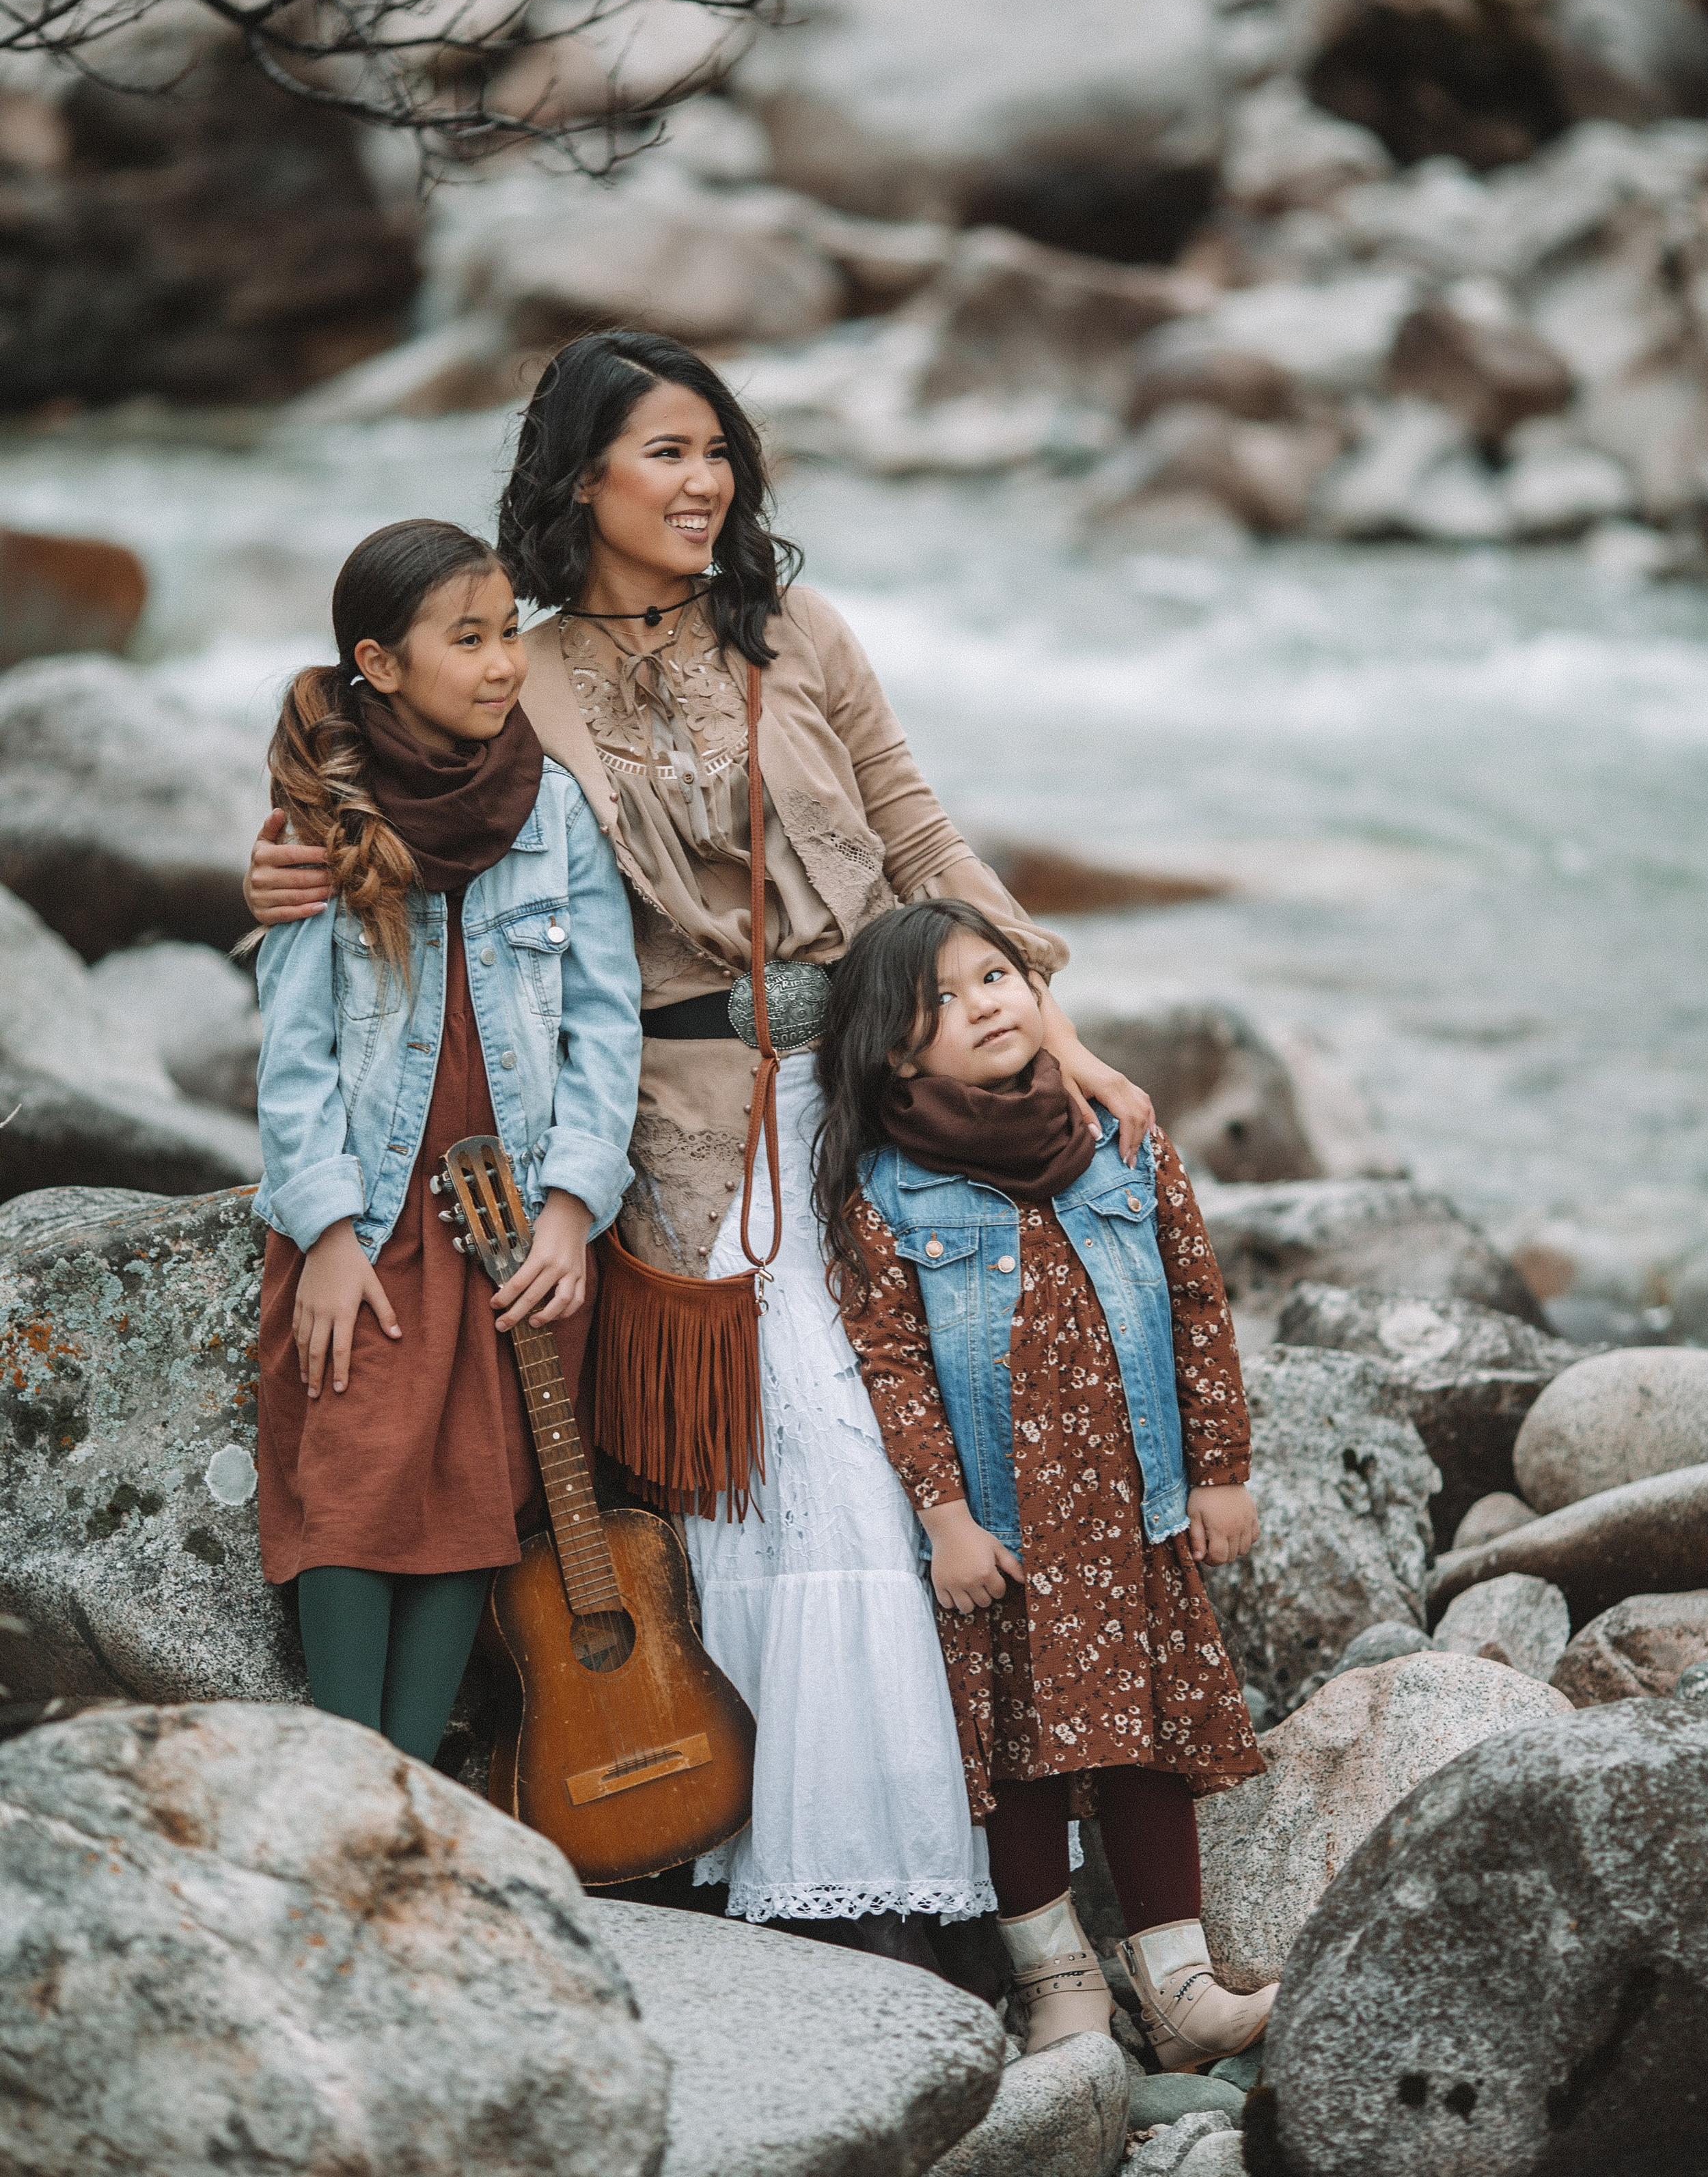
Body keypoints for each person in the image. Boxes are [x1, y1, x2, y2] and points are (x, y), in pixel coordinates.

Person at [245, 332, 1154, 1951]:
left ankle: (967, 1887)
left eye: (718, 450)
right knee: (781, 1465)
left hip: (877, 1105)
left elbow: (915, 834)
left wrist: (1059, 1036)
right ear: (578, 478)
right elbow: (398, 807)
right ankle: (788, 1865)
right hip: (673, 1136)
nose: (705, 482)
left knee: (918, 1459)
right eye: (665, 452)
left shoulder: (797, 630)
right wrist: (279, 876)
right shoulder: (519, 672)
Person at [814, 896, 1276, 2068]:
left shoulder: (1119, 1137)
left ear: (1036, 991)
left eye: (995, 978)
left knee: (1146, 1739)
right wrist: (947, 1519)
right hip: (1007, 1534)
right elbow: (894, 1363)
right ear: (896, 1049)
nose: (982, 1007)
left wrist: (1220, 1470)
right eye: (942, 1002)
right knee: (1014, 1759)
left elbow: (1194, 1302)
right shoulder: (886, 1191)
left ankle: (1177, 1986)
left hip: (1131, 1509)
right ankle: (1055, 1981)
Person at [251, 516, 642, 1760]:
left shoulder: (555, 811)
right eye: (466, 640)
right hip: (373, 1219)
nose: (502, 663)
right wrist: (321, 1230)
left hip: (513, 1219)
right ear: (379, 662)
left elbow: (606, 1024)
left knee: (483, 1492)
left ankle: (412, 1779)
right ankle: (344, 1767)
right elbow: (294, 1049)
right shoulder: (323, 815)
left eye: (508, 632)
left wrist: (576, 1204)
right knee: (355, 1476)